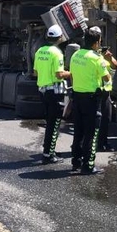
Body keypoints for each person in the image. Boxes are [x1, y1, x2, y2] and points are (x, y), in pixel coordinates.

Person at [68, 29, 111, 175]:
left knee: (78, 131)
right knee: (91, 133)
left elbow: (72, 75)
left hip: (77, 96)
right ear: (96, 42)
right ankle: (89, 165)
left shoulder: (75, 55)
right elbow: (107, 78)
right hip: (92, 99)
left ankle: (76, 161)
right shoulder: (96, 58)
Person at [33, 25, 71, 164]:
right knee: (54, 124)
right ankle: (49, 154)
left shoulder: (39, 51)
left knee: (49, 121)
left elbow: (36, 72)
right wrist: (71, 73)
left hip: (43, 91)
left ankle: (48, 149)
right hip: (55, 92)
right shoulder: (57, 53)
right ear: (60, 37)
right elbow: (59, 74)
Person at [89, 26, 117, 151]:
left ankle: (102, 143)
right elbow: (105, 76)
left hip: (106, 92)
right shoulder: (90, 55)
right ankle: (90, 145)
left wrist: (110, 58)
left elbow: (115, 66)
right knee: (93, 120)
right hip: (95, 92)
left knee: (105, 119)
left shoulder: (103, 53)